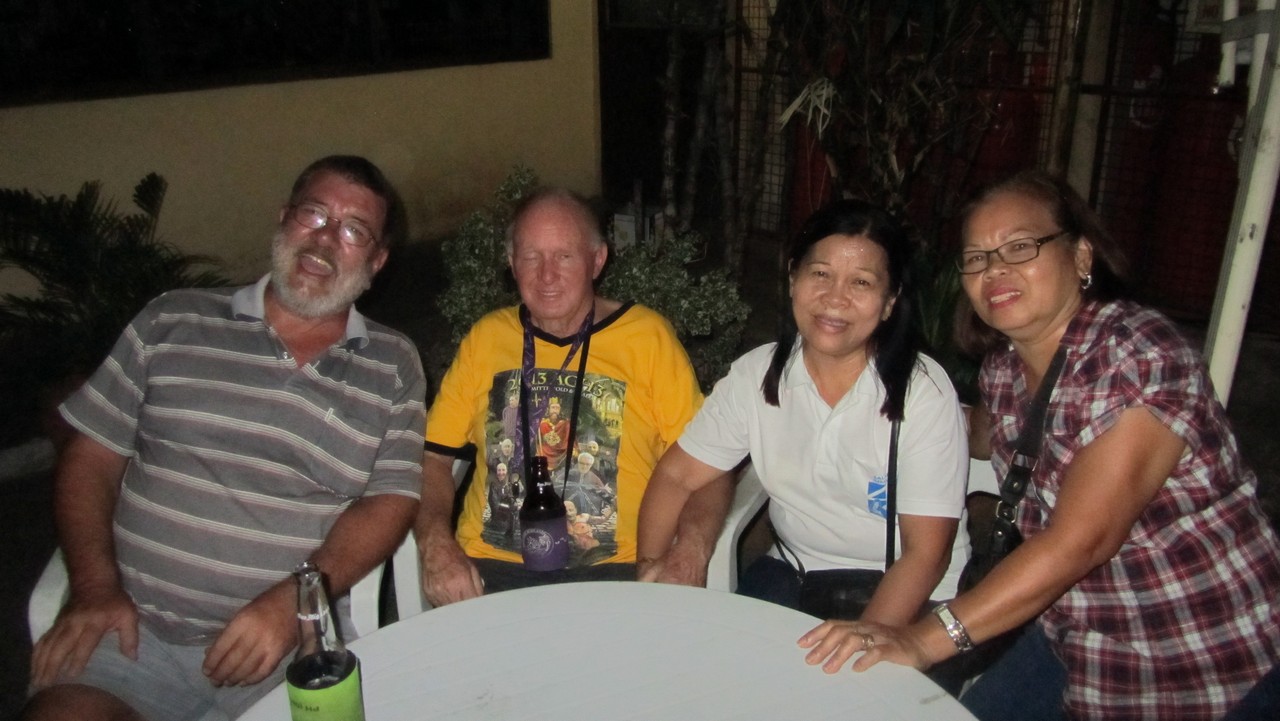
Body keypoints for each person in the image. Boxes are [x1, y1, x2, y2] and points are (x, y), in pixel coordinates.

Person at [799, 170, 1280, 720]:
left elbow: (1080, 542)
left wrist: (923, 639)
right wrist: (899, 415)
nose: (994, 269)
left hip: (1202, 653)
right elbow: (987, 433)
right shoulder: (1005, 369)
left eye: (1020, 247)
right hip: (1074, 630)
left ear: (1081, 255)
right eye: (977, 258)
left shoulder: (1136, 355)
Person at [24, 155, 426, 721]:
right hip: (130, 632)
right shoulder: (172, 319)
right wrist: (93, 587)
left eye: (354, 230)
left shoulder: (390, 363)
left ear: (377, 260)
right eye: (314, 214)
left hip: (289, 645)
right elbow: (92, 456)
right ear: (284, 217)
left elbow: (390, 501)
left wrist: (291, 604)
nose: (325, 239)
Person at [637, 199, 970, 627]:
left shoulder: (922, 392)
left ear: (889, 302)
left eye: (861, 282)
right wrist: (650, 575)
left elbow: (926, 556)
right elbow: (677, 476)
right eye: (821, 274)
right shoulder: (757, 375)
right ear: (794, 278)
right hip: (795, 571)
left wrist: (863, 642)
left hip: (910, 590)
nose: (835, 298)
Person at [415, 187, 733, 604]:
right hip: (488, 571)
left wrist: (689, 551)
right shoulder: (486, 338)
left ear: (597, 260)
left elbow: (711, 467)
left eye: (564, 256)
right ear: (511, 262)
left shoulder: (646, 338)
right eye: (531, 256)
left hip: (616, 573)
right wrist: (436, 545)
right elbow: (433, 458)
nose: (547, 275)